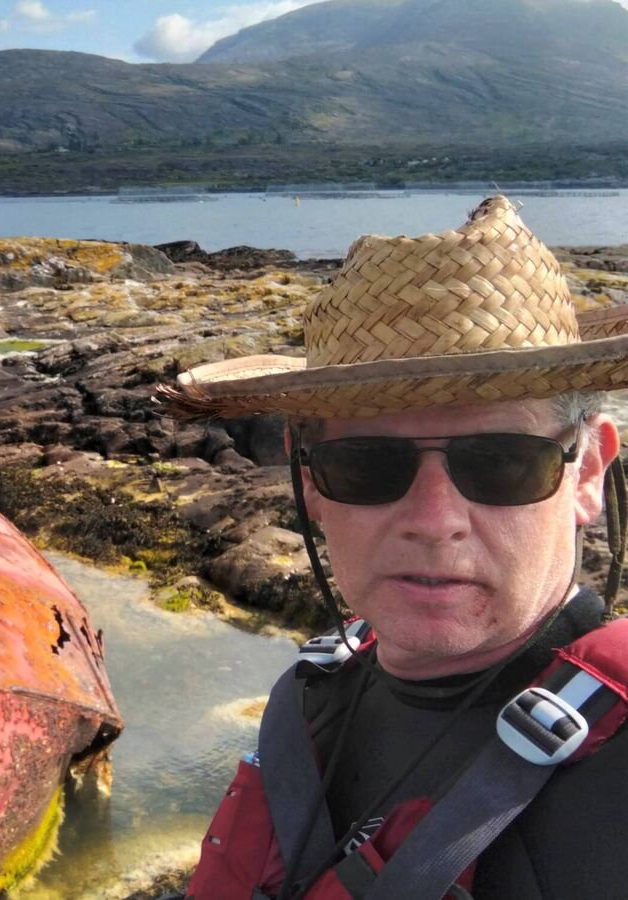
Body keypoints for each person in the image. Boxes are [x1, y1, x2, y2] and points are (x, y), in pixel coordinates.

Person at [159, 196, 628, 899]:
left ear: (587, 472)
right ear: (311, 480)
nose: (435, 519)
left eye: (501, 462)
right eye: (368, 466)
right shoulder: (311, 702)